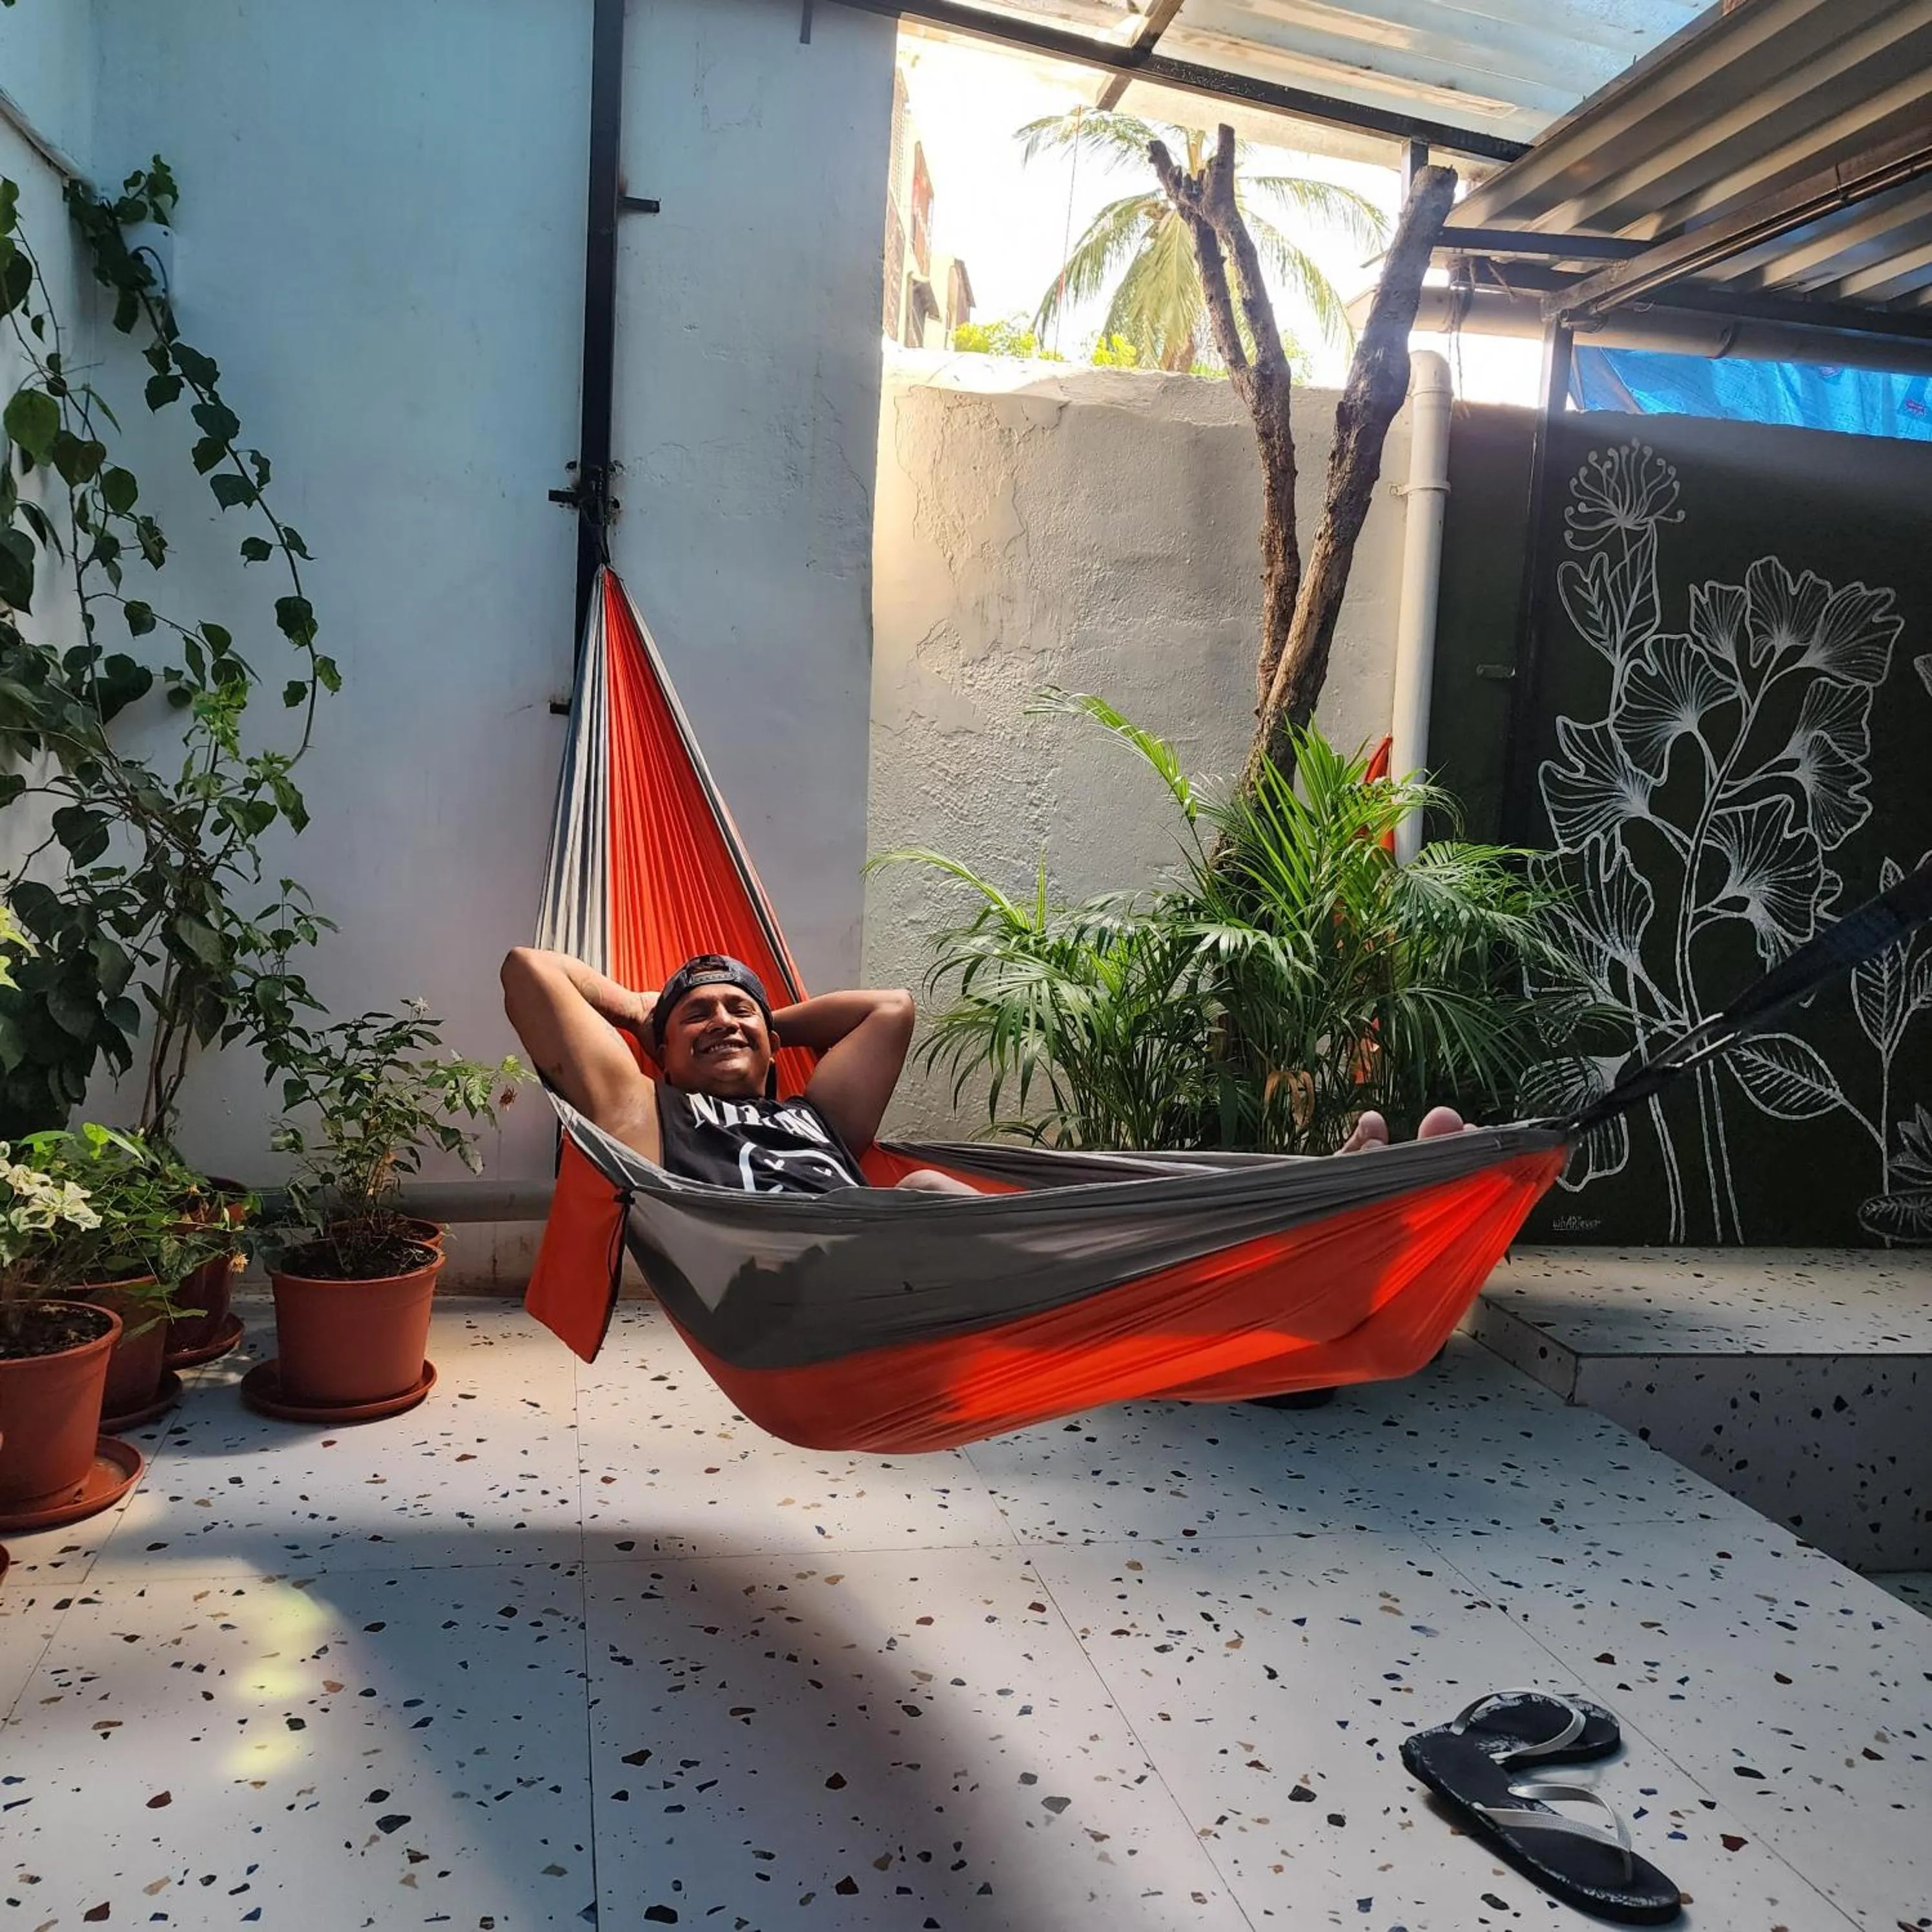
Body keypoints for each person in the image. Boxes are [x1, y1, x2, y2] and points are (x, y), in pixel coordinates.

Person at [500, 946, 1470, 1197]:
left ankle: (1331, 1188)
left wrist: (752, 1022)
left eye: (737, 1010)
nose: (721, 1019)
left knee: (935, 1189)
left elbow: (892, 1008)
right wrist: (641, 1010)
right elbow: (528, 973)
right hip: (781, 1282)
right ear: (657, 1053)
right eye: (697, 1018)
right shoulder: (644, 1114)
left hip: (913, 1258)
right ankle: (1331, 1188)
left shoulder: (820, 1119)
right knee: (925, 1188)